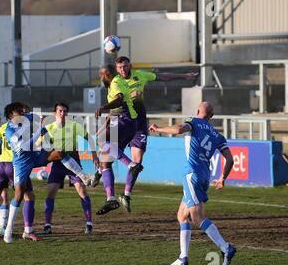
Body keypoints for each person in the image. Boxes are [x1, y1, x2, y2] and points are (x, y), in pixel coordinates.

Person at [0, 102, 93, 244]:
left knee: (59, 153)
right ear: (10, 116)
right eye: (18, 112)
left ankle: (83, 175)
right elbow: (23, 146)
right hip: (20, 162)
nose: (22, 114)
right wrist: (40, 132)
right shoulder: (8, 129)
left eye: (22, 111)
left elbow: (37, 117)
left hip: (25, 158)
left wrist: (39, 124)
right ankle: (11, 230)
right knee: (20, 196)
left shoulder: (24, 118)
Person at [149, 101, 236, 265]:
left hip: (192, 174)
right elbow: (230, 159)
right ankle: (183, 256)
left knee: (197, 217)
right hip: (204, 175)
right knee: (182, 215)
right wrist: (222, 178)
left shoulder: (194, 121)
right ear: (211, 116)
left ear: (197, 111)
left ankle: (226, 248)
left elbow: (179, 130)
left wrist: (158, 129)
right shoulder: (217, 135)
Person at [110, 56, 198, 212]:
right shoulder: (116, 82)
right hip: (124, 121)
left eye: (125, 66)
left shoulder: (141, 75)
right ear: (116, 69)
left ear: (130, 65)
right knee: (109, 151)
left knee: (138, 160)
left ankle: (126, 194)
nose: (122, 69)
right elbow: (118, 100)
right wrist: (131, 96)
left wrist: (183, 76)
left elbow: (163, 77)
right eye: (119, 67)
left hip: (140, 123)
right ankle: (99, 173)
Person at [42, 102, 99, 235]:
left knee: (82, 191)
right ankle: (47, 225)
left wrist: (94, 155)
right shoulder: (48, 128)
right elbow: (44, 144)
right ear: (55, 113)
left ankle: (89, 223)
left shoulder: (73, 126)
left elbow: (89, 138)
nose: (62, 114)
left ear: (67, 113)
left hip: (74, 162)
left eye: (64, 111)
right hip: (57, 165)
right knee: (50, 193)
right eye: (60, 111)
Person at [93, 64, 143, 216]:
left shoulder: (115, 82)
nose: (100, 77)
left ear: (106, 74)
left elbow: (119, 99)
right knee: (105, 163)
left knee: (102, 140)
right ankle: (111, 199)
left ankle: (131, 165)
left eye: (101, 75)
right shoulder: (117, 83)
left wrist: (103, 107)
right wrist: (105, 124)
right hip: (125, 122)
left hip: (123, 118)